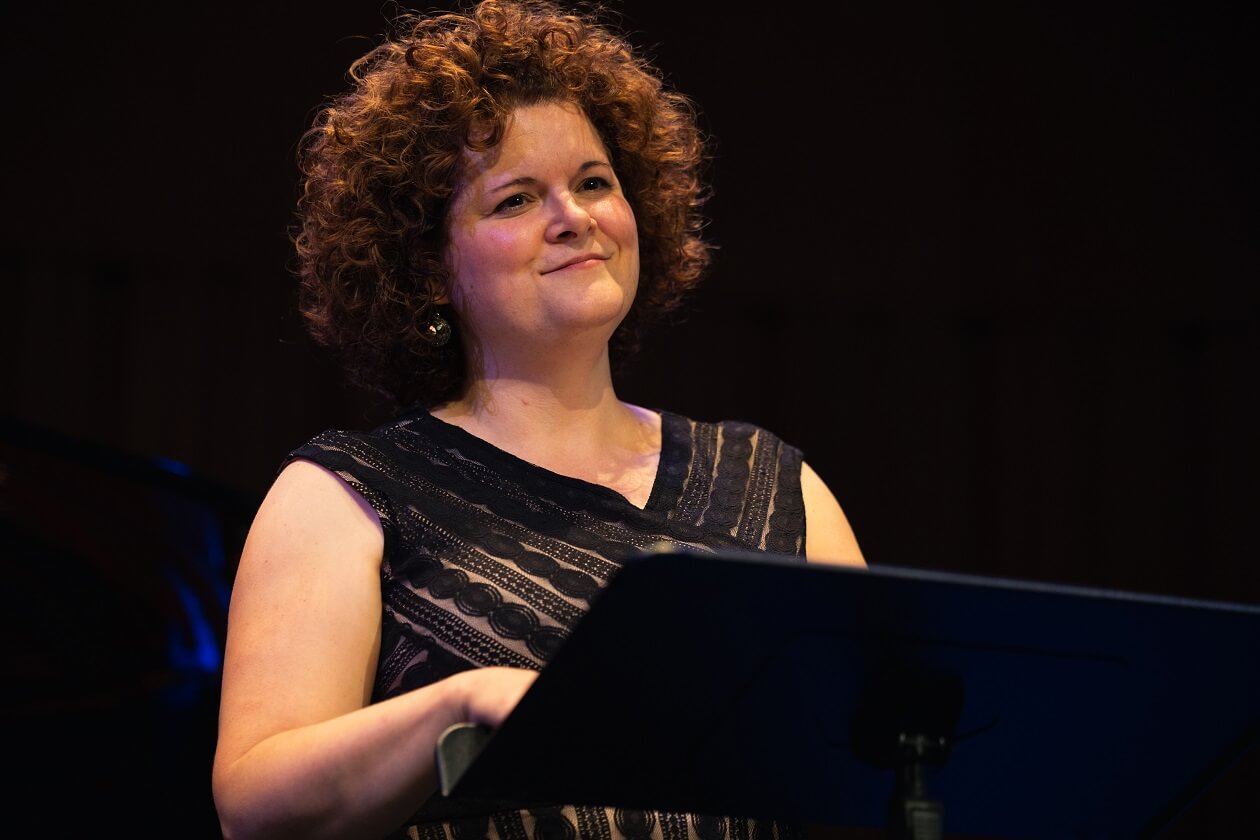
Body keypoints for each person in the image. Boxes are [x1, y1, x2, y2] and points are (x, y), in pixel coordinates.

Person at [211, 1, 866, 838]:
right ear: (428, 266)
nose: (574, 217)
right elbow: (254, 803)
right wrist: (462, 701)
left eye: (594, 182)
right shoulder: (346, 496)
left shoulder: (777, 488)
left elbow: (877, 757)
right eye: (516, 199)